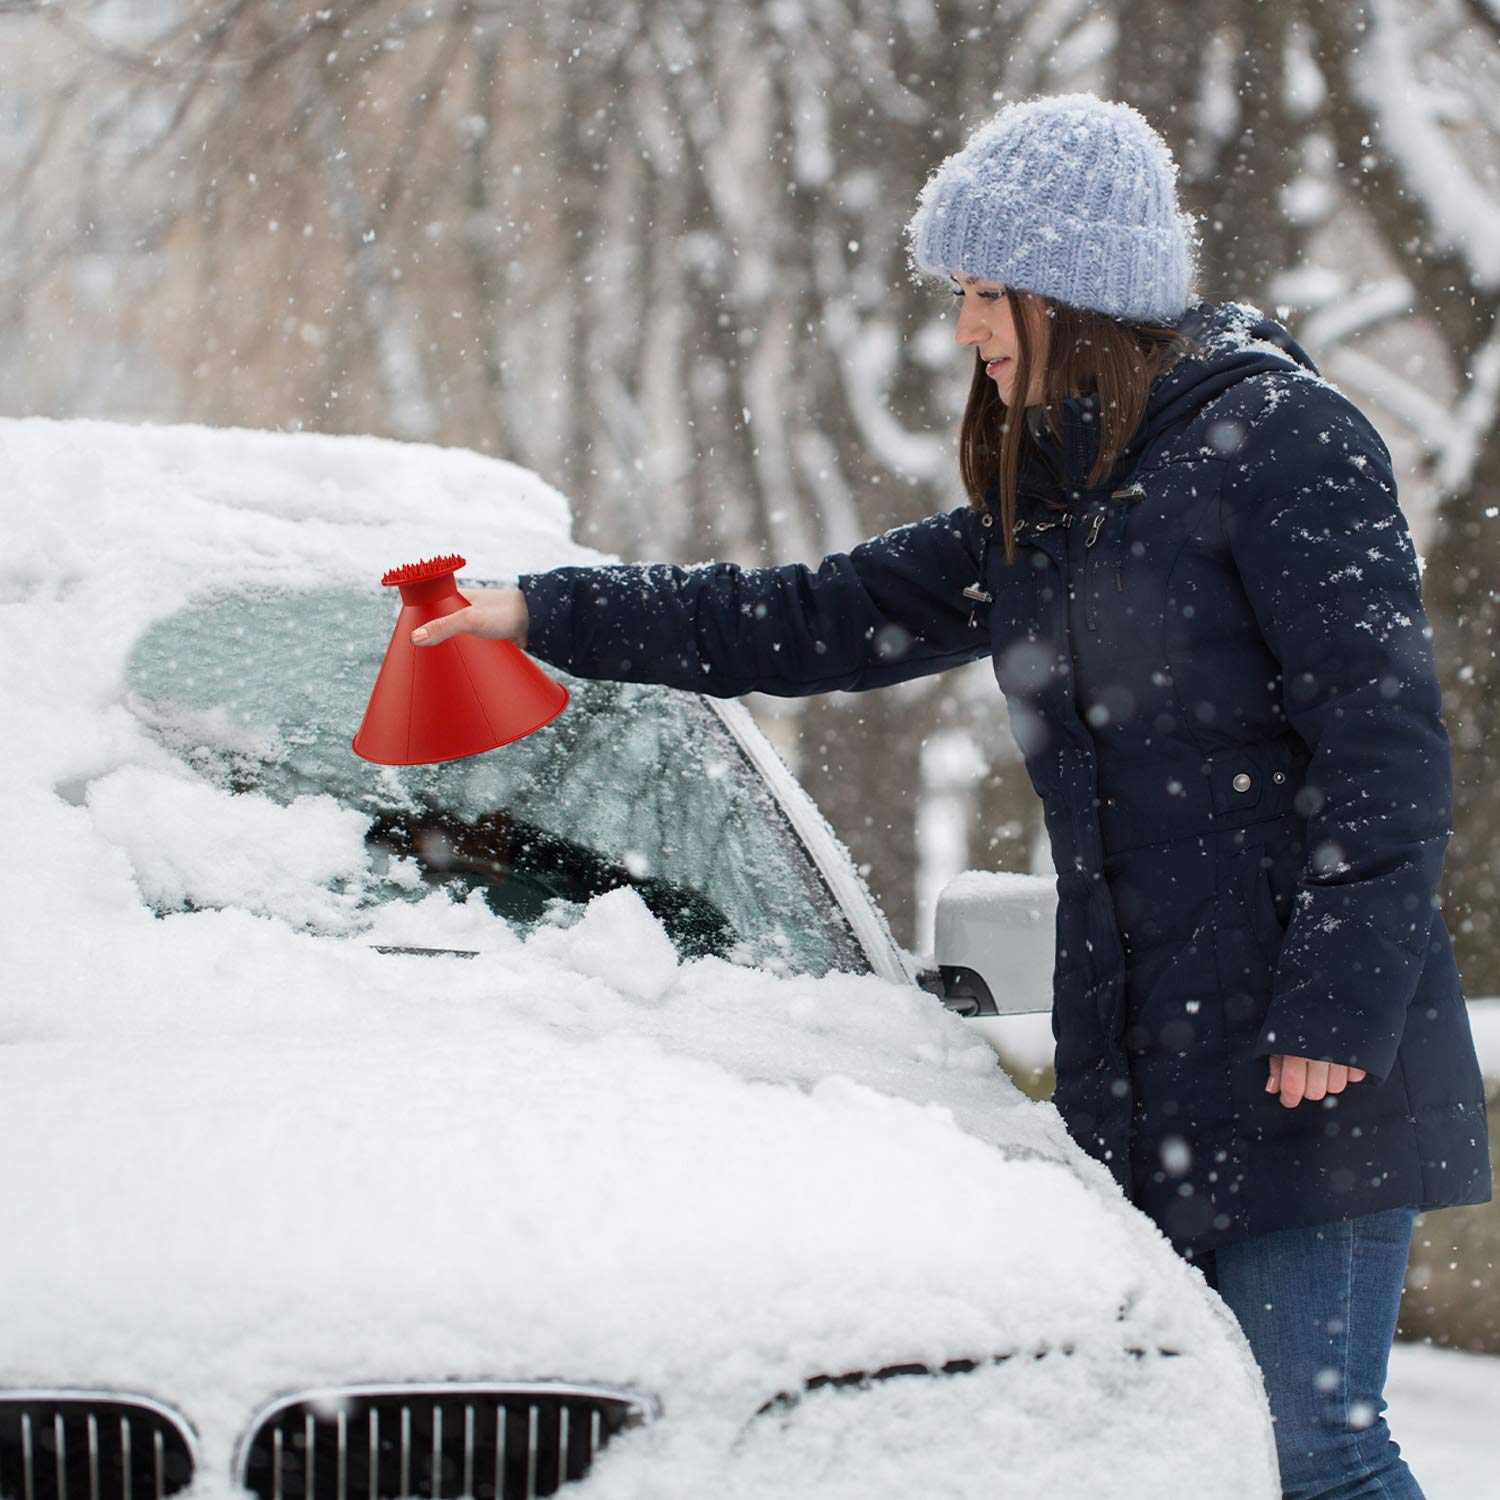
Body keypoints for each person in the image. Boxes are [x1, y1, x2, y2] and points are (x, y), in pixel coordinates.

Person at [410, 93, 1491, 1499]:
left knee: (1313, 1450)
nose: (970, 327)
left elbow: (1386, 749)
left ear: (1077, 292)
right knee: (1193, 1459)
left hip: (1310, 1059)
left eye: (989, 292)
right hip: (1150, 1064)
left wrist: (1333, 1010)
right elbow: (801, 618)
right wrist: (536, 609)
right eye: (963, 293)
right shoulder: (1049, 501)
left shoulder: (1286, 444)